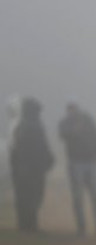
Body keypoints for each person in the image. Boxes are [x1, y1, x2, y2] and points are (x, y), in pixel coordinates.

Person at [59, 102, 96, 236]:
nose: (71, 111)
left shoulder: (88, 120)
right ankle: (81, 228)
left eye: (73, 109)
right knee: (78, 197)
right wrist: (74, 131)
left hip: (90, 162)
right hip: (75, 163)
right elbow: (63, 135)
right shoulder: (65, 123)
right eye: (69, 109)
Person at [8, 97, 54, 232]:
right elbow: (38, 147)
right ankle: (29, 224)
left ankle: (26, 224)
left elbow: (16, 149)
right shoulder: (30, 125)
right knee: (32, 196)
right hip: (31, 168)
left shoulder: (25, 125)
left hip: (27, 168)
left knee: (27, 196)